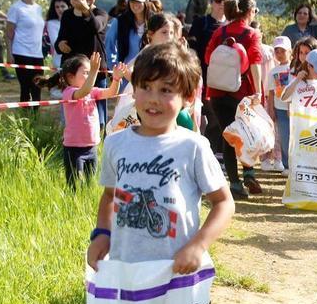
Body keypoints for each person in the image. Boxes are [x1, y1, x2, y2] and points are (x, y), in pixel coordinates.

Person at [87, 40, 235, 279]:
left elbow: (224, 203)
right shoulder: (115, 143)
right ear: (133, 89)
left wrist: (198, 246)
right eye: (145, 87)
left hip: (176, 273)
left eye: (165, 90)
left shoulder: (193, 147)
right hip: (126, 273)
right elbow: (109, 196)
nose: (153, 98)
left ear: (187, 97)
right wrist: (102, 234)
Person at [205, 0, 263, 199]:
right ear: (250, 11)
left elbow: (208, 58)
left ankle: (235, 184)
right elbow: (255, 62)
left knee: (228, 136)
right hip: (242, 92)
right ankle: (248, 172)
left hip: (217, 92)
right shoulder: (251, 34)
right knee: (248, 133)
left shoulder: (219, 32)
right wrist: (258, 91)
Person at [36, 53, 124, 187]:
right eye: (85, 73)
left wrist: (116, 79)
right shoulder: (69, 92)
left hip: (92, 146)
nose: (89, 75)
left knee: (90, 184)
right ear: (70, 77)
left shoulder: (92, 91)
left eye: (89, 72)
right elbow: (84, 91)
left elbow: (111, 92)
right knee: (74, 185)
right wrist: (94, 71)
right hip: (74, 148)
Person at [56, 0, 109, 126]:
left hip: (96, 73)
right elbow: (59, 41)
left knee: (99, 119)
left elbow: (96, 26)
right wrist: (60, 45)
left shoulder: (101, 14)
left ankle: (100, 139)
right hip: (72, 74)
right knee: (70, 118)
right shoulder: (67, 15)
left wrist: (85, 10)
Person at [188, 0, 228, 163]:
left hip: (223, 82)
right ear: (211, 2)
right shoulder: (201, 23)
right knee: (199, 118)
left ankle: (211, 156)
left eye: (225, 0)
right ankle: (202, 155)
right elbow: (191, 51)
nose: (222, 4)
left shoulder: (230, 26)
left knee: (217, 120)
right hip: (200, 79)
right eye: (218, 0)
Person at [6, 0, 44, 103]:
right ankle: (25, 113)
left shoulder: (39, 8)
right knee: (26, 87)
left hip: (38, 54)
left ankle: (36, 113)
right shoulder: (16, 8)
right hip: (21, 52)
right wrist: (9, 53)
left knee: (38, 86)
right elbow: (9, 33)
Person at [106, 0, 153, 67]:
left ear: (146, 1)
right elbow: (109, 44)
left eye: (138, 1)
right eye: (132, 1)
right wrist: (114, 66)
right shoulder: (119, 22)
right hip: (125, 73)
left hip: (149, 71)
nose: (135, 4)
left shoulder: (155, 21)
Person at [265, 35, 291, 172]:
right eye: (277, 51)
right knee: (284, 137)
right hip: (279, 109)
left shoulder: (295, 69)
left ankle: (297, 164)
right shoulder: (273, 72)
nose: (280, 54)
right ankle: (286, 165)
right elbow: (271, 93)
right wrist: (271, 110)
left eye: (283, 51)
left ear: (290, 51)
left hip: (295, 109)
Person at [45, 0, 70, 70]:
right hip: (58, 63)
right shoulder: (51, 23)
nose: (60, 9)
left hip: (74, 62)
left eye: (63, 6)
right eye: (57, 7)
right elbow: (55, 42)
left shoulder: (75, 22)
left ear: (69, 7)